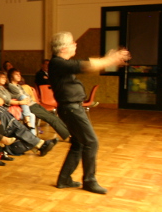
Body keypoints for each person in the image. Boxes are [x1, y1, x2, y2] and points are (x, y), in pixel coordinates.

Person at [49, 31, 130, 194]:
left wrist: (109, 60)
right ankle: (89, 181)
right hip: (71, 109)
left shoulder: (60, 63)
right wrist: (110, 59)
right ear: (64, 47)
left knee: (79, 143)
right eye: (73, 42)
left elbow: (83, 65)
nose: (75, 44)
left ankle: (64, 179)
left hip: (73, 108)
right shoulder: (58, 63)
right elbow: (85, 65)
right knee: (92, 142)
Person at [0, 70, 57, 157]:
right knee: (18, 127)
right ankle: (40, 144)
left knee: (19, 128)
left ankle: (40, 145)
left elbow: (1, 100)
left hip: (1, 111)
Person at [7, 68, 70, 141]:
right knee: (51, 119)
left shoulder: (19, 86)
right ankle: (68, 136)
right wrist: (27, 98)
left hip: (33, 104)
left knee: (53, 117)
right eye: (16, 74)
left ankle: (69, 133)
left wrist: (28, 97)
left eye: (19, 74)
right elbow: (22, 97)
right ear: (11, 77)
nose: (19, 76)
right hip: (29, 106)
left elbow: (27, 96)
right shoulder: (11, 86)